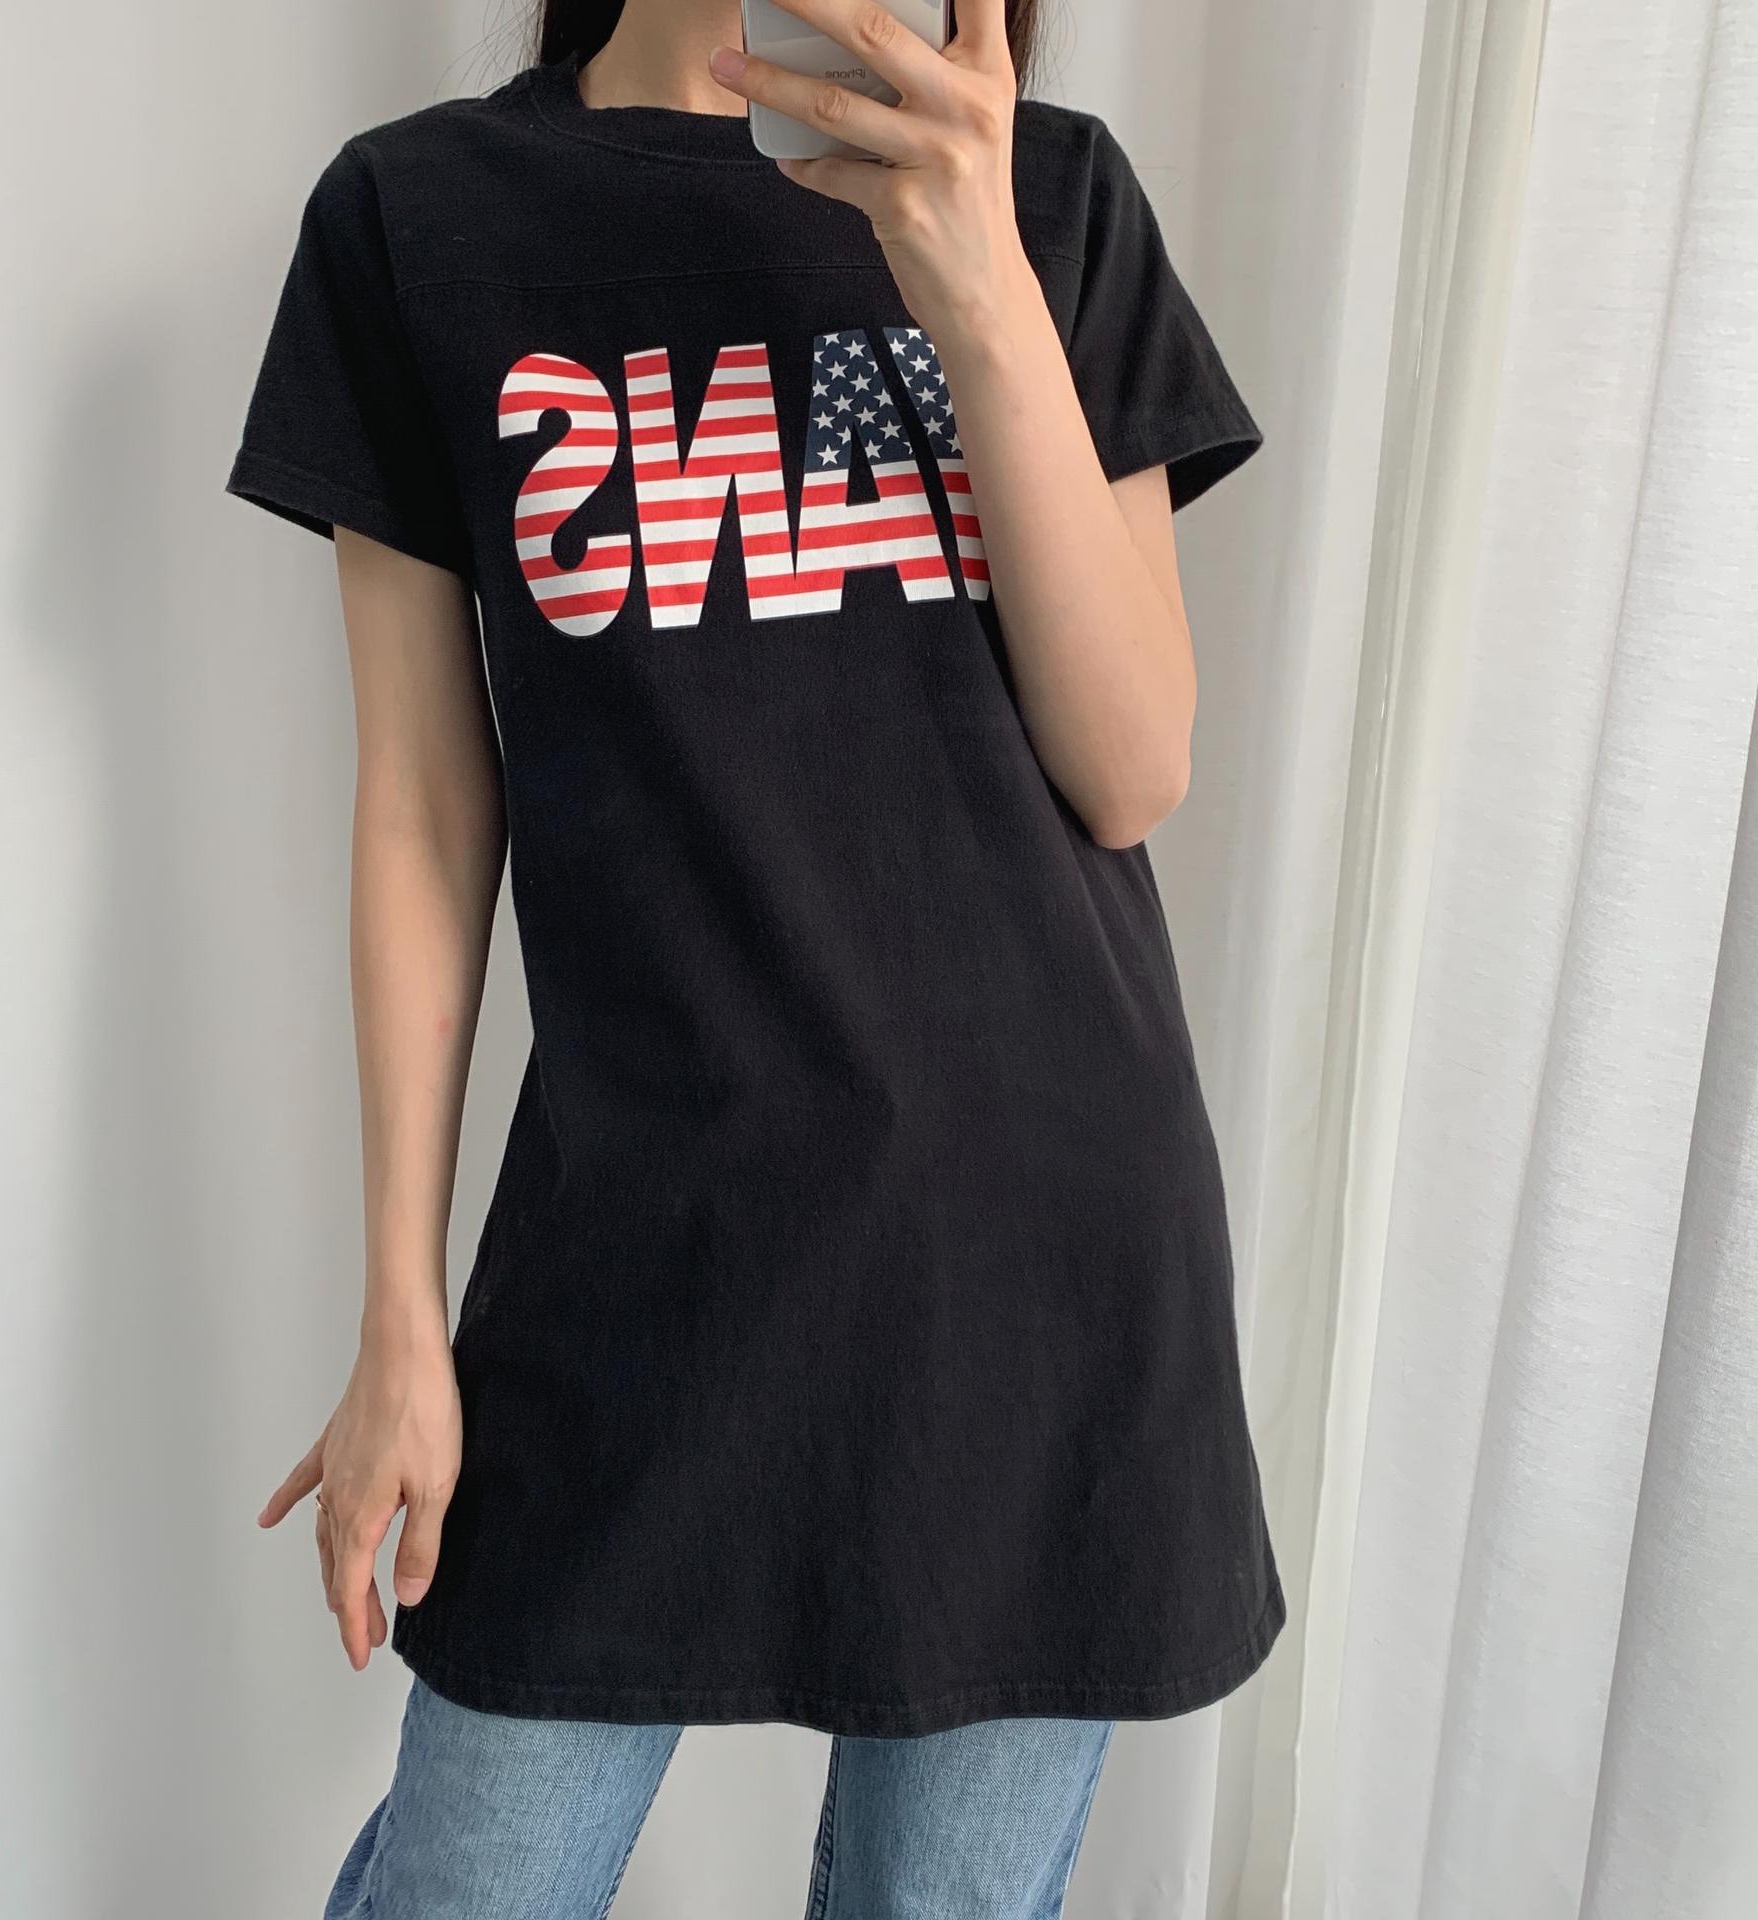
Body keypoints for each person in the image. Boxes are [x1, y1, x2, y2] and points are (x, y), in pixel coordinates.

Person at [227, 0, 1284, 1912]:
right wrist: (399, 1314)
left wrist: (976, 282)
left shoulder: (1043, 192)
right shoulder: (422, 216)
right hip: (635, 1257)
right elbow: (424, 814)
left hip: (1038, 1273)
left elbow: (1135, 768)